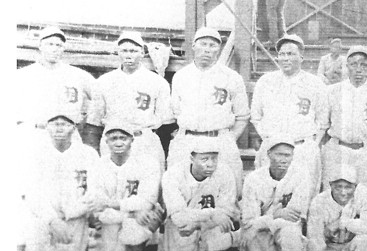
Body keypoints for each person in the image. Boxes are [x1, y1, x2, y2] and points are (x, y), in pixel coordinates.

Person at [20, 111, 99, 251]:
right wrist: (53, 220)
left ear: (74, 127)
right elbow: (31, 193)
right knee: (35, 225)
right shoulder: (36, 153)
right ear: (47, 127)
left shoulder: (87, 153)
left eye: (64, 123)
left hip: (75, 217)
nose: (59, 128)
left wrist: (71, 213)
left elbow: (95, 190)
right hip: (46, 218)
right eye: (54, 123)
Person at [161, 137, 241, 251]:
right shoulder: (173, 175)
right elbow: (179, 218)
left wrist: (202, 223)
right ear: (191, 158)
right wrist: (211, 213)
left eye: (214, 158)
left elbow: (227, 211)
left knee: (223, 231)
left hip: (207, 224)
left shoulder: (225, 172)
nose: (210, 164)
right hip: (183, 227)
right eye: (204, 159)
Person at [168, 27, 250, 197]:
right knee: (181, 189)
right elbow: (175, 111)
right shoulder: (181, 76)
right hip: (188, 139)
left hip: (219, 139)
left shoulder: (231, 77)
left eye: (212, 45)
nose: (207, 49)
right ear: (193, 45)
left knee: (228, 193)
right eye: (203, 44)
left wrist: (229, 138)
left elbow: (242, 116)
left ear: (218, 49)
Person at [89, 121, 164, 251]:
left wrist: (116, 206)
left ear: (131, 140)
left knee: (134, 228)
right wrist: (129, 211)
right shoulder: (98, 165)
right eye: (113, 138)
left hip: (136, 220)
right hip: (114, 221)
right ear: (106, 141)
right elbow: (97, 203)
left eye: (123, 137)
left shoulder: (146, 162)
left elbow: (148, 199)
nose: (118, 142)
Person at [240, 135, 311, 251]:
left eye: (287, 155)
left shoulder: (301, 176)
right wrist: (276, 215)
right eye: (278, 154)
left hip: (283, 229)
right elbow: (250, 220)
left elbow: (295, 215)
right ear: (268, 154)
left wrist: (266, 219)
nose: (283, 159)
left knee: (291, 235)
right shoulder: (253, 179)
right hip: (260, 235)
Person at [251, 33, 327, 198]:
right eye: (282, 54)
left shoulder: (315, 84)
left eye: (291, 54)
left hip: (302, 148)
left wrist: (313, 144)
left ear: (301, 57)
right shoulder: (266, 82)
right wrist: (268, 139)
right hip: (272, 148)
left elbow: (322, 120)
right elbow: (256, 116)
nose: (286, 58)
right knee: (267, 196)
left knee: (303, 198)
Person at [85, 31, 173, 171]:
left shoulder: (157, 82)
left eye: (133, 50)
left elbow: (166, 122)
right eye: (124, 50)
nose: (128, 55)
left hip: (143, 139)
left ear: (143, 53)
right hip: (113, 140)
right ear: (118, 53)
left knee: (150, 185)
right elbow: (94, 122)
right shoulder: (104, 81)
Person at [318, 45, 367, 196]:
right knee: (334, 197)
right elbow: (323, 126)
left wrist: (365, 144)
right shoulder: (332, 91)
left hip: (366, 150)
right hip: (338, 150)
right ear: (346, 66)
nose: (358, 69)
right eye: (354, 64)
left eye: (363, 65)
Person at [16, 26, 94, 146]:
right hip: (35, 134)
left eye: (59, 45)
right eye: (50, 44)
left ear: (63, 48)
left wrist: (85, 119)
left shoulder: (78, 75)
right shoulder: (23, 75)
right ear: (40, 46)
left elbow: (101, 97)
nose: (54, 49)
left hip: (68, 137)